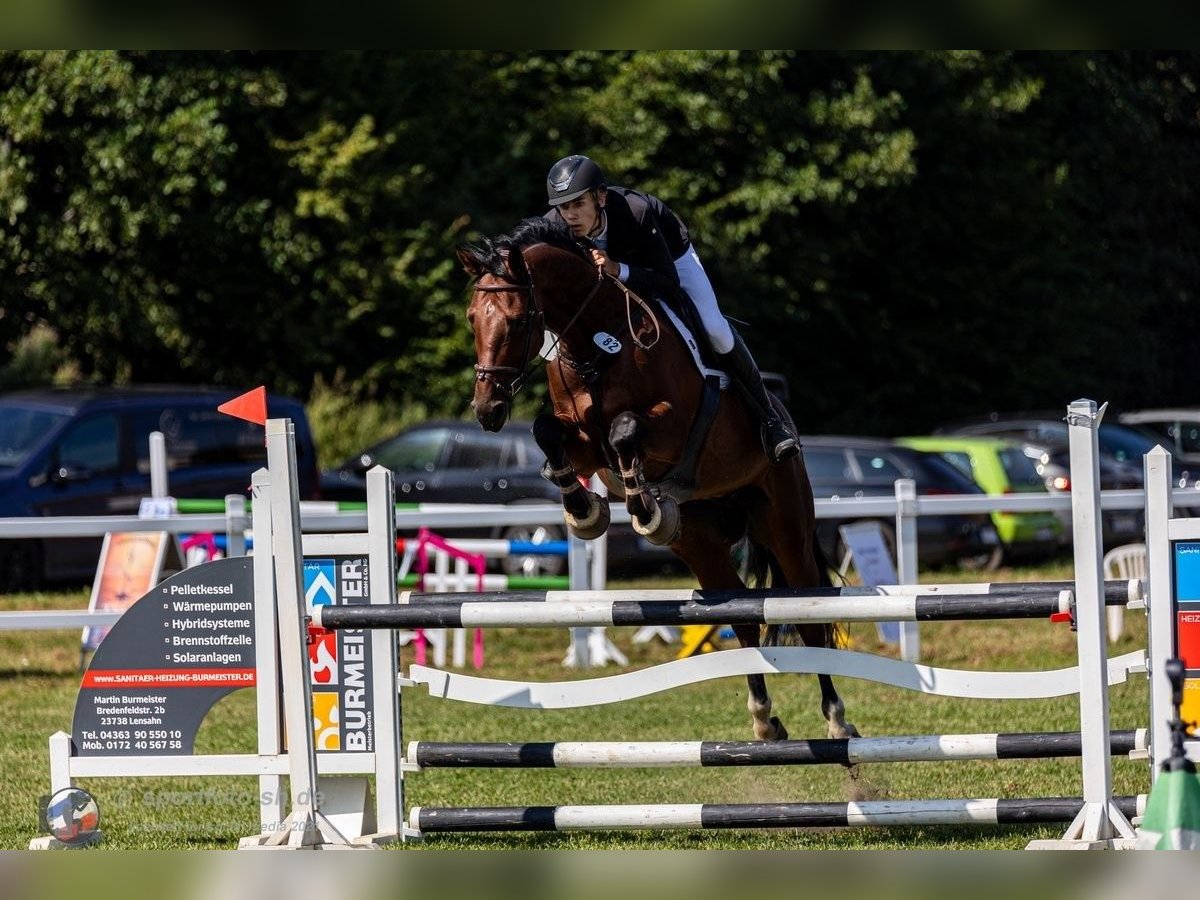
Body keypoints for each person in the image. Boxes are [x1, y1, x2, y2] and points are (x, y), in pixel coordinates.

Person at [542, 154, 799, 463]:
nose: (570, 215)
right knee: (551, 343)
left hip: (667, 259)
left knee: (715, 328)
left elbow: (667, 282)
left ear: (600, 197)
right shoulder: (554, 228)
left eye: (578, 204)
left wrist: (617, 269)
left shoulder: (636, 212)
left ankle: (770, 421)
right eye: (564, 207)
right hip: (608, 275)